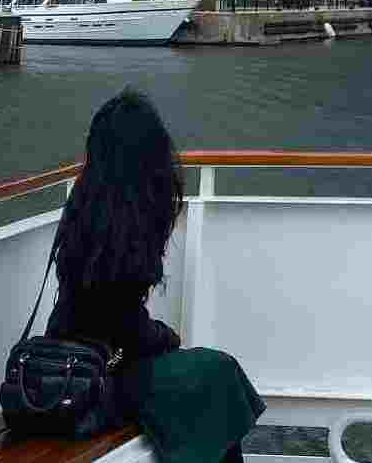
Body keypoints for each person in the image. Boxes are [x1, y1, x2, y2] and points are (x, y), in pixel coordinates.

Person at [47, 89, 264, 463]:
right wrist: (165, 337)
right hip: (102, 374)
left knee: (211, 375)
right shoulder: (125, 222)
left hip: (74, 358)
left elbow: (102, 314)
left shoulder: (84, 205)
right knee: (218, 373)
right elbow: (123, 326)